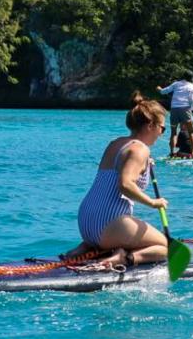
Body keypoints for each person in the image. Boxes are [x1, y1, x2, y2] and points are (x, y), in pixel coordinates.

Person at [64, 92, 171, 268]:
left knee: (128, 232)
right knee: (165, 247)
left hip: (86, 221)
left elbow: (118, 168)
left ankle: (87, 247)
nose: (161, 134)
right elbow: (125, 184)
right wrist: (153, 203)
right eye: (162, 128)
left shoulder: (116, 143)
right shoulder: (140, 150)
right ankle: (124, 258)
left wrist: (144, 163)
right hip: (109, 223)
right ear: (151, 125)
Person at [156, 71, 193, 154]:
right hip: (185, 109)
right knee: (191, 132)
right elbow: (192, 100)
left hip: (174, 109)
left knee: (173, 133)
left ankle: (172, 153)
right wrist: (191, 109)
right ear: (191, 78)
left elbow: (163, 91)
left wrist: (159, 89)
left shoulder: (176, 84)